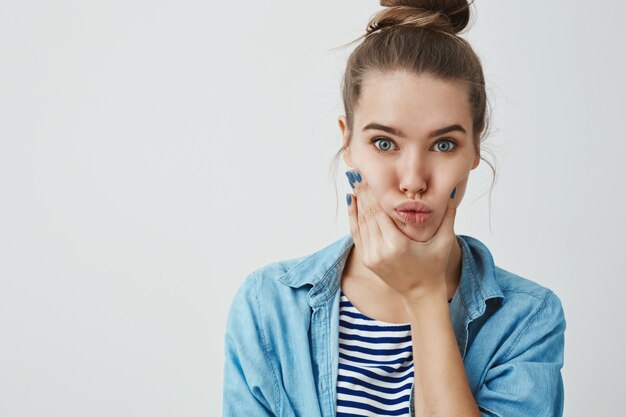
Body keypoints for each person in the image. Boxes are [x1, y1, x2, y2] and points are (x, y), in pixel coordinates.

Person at [222, 1, 566, 416]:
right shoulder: (269, 305)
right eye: (384, 143)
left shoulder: (527, 319)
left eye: (444, 145)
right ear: (347, 143)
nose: (413, 179)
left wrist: (424, 296)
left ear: (475, 149)